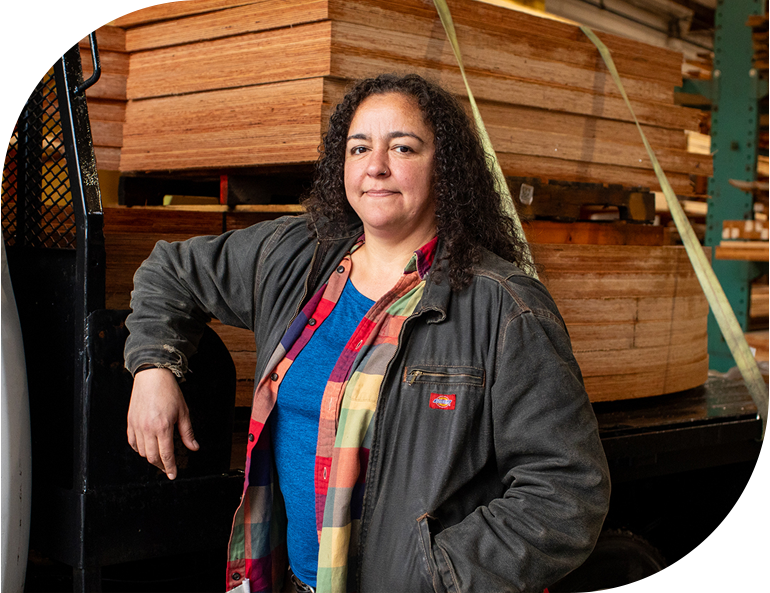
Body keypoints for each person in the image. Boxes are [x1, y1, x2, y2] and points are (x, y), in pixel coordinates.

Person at [125, 73, 610, 593]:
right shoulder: (293, 255)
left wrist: (433, 577)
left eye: (402, 147)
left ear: (445, 167)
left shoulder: (505, 308)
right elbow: (170, 270)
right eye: (360, 148)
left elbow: (567, 492)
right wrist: (154, 368)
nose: (376, 165)